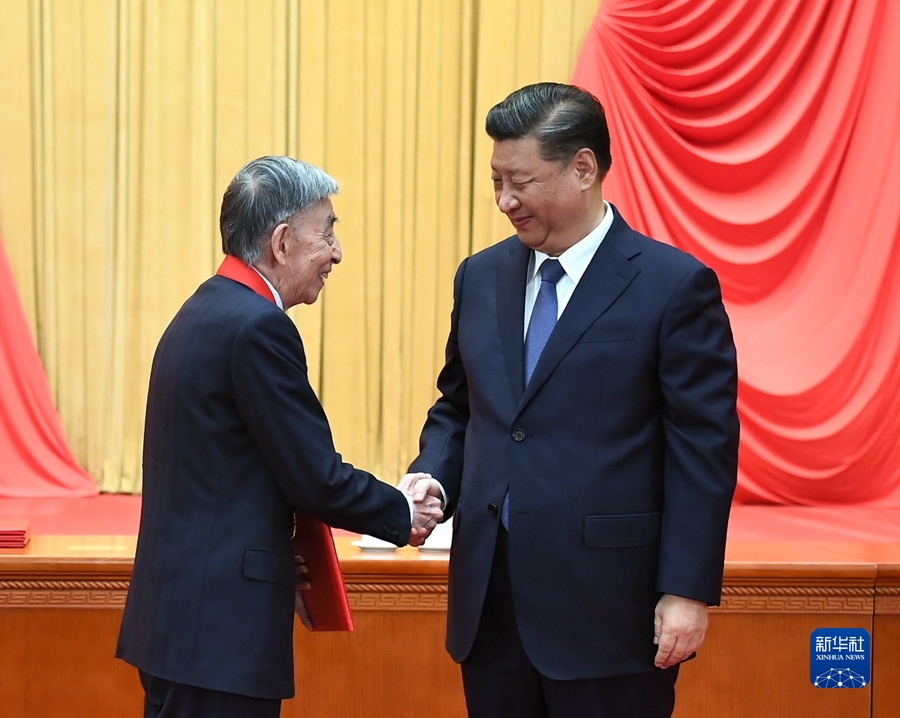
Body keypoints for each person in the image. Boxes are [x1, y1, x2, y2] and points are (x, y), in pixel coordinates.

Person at [407, 83, 739, 717]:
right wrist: (433, 478)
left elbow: (703, 450)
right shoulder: (480, 276)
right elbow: (458, 406)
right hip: (491, 605)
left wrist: (687, 590)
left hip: (610, 611)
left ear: (583, 168)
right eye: (496, 179)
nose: (504, 200)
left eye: (521, 181)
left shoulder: (673, 286)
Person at [116, 156, 443, 718]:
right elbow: (314, 476)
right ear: (283, 242)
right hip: (218, 633)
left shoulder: (203, 308)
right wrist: (403, 513)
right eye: (328, 232)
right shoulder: (259, 327)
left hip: (179, 622)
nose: (337, 253)